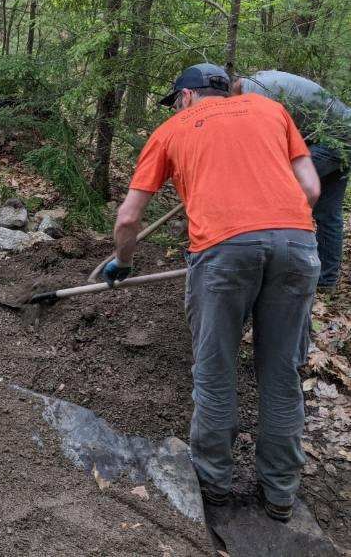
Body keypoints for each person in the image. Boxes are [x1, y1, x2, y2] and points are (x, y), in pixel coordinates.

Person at [103, 64, 321, 523]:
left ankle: (213, 488)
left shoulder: (171, 129)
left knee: (215, 368)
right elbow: (310, 187)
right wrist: (275, 233)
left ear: (185, 97)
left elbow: (127, 220)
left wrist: (122, 263)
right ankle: (280, 495)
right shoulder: (271, 110)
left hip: (223, 253)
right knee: (282, 373)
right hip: (299, 245)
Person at [234, 70, 349, 292]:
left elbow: (268, 139)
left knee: (279, 191)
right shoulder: (260, 80)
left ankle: (265, 264)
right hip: (342, 133)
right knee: (328, 214)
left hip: (333, 139)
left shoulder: (256, 95)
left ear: (233, 90)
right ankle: (326, 281)